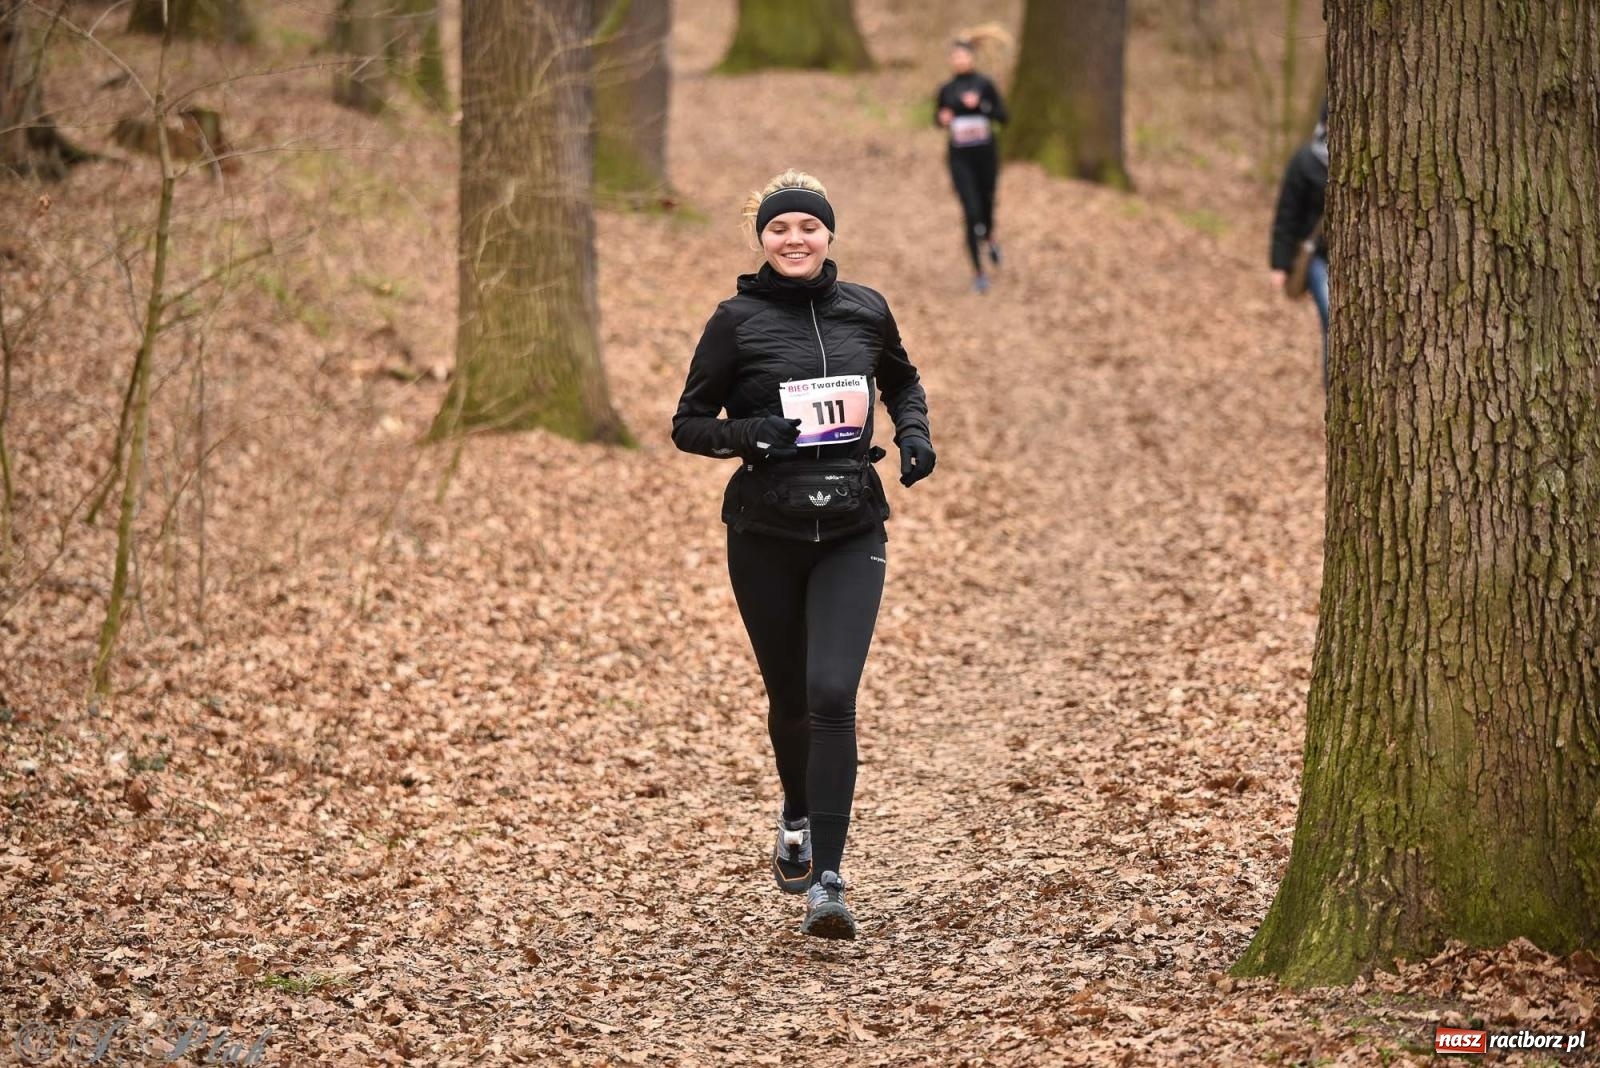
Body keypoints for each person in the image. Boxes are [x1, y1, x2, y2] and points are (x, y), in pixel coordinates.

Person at [671, 169, 935, 940]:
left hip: (852, 526)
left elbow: (903, 382)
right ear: (763, 238)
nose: (795, 239)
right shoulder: (735, 322)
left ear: (828, 235)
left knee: (831, 693)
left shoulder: (866, 309)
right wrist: (747, 434)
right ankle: (796, 812)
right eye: (780, 228)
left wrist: (914, 435)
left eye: (808, 227)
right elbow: (688, 423)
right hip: (766, 533)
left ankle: (828, 879)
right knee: (790, 699)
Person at [934, 25, 1012, 294]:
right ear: (950, 60)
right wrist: (943, 118)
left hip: (986, 155)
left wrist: (981, 106)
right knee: (970, 210)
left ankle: (990, 237)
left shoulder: (984, 85)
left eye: (963, 56)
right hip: (960, 159)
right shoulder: (946, 89)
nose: (959, 61)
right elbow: (938, 118)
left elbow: (1003, 116)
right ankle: (979, 272)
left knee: (987, 204)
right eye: (955, 57)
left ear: (972, 58)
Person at [1270, 101, 1330, 380]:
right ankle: (1333, 387)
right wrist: (1280, 263)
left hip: (1357, 259)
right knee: (1333, 318)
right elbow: (1287, 213)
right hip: (1317, 257)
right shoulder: (1305, 161)